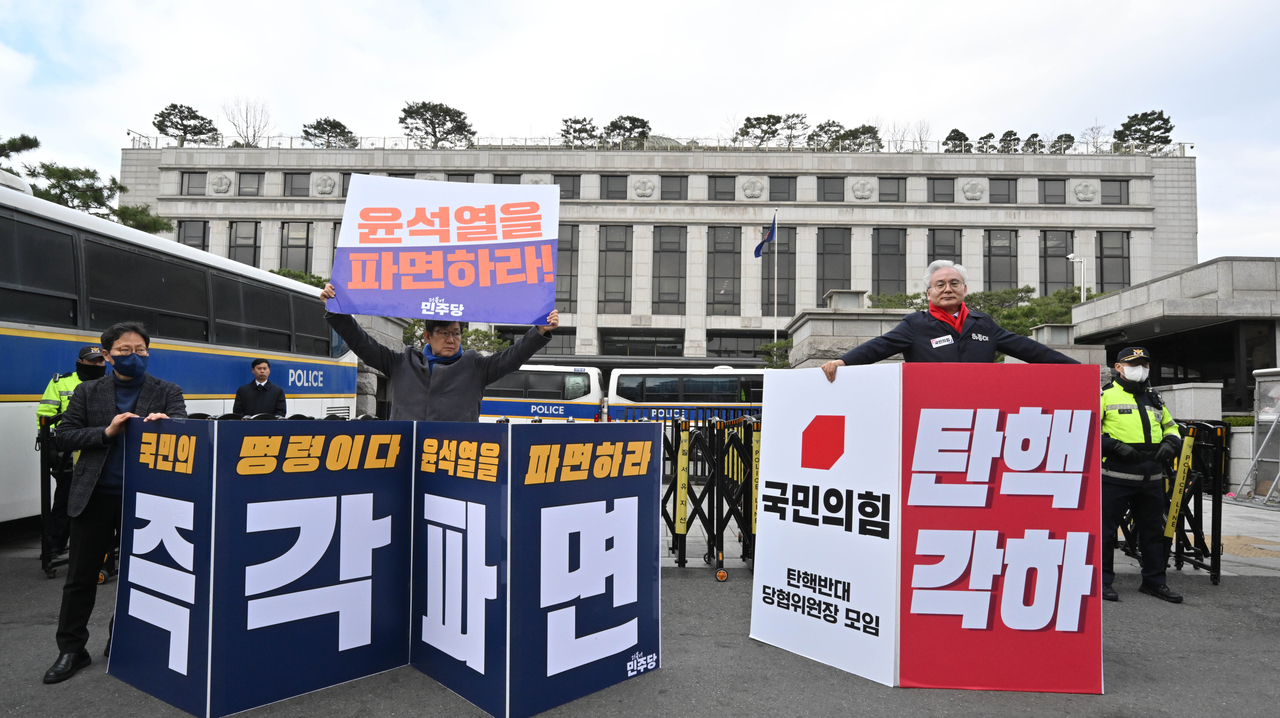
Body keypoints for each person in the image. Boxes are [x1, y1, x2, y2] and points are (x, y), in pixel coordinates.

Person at [43, 322, 187, 684]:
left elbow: (186, 432)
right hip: (94, 495)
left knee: (140, 575)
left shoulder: (167, 391)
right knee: (80, 576)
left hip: (146, 499)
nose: (133, 356)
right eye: (124, 350)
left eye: (140, 350)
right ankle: (71, 649)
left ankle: (122, 637)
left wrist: (169, 426)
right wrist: (106, 432)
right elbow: (64, 435)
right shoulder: (88, 392)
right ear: (106, 355)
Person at [319, 283, 558, 421]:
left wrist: (539, 331)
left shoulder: (476, 366)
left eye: (456, 333)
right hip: (406, 455)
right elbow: (363, 344)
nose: (451, 340)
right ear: (427, 336)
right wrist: (337, 312)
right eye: (444, 333)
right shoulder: (402, 363)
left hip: (455, 460)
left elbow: (513, 356)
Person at [822, 260, 1077, 380]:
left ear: (964, 289)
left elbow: (1029, 348)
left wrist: (1078, 370)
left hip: (980, 407)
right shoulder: (915, 324)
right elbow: (879, 346)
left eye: (954, 283)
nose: (947, 289)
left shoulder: (983, 323)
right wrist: (843, 361)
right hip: (929, 406)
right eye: (940, 284)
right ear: (928, 293)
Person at [1099, 347, 1184, 604]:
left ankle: (1154, 582)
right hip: (1115, 476)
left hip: (1151, 479)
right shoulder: (1104, 395)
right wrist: (1113, 446)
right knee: (1105, 533)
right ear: (1119, 367)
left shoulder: (1154, 398)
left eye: (1144, 364)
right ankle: (1102, 582)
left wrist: (1171, 443)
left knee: (1152, 533)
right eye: (1134, 363)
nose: (1141, 368)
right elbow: (1087, 427)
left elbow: (1171, 427)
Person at [36, 346, 108, 555]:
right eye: (91, 362)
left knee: (104, 501)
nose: (96, 365)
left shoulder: (111, 384)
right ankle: (54, 546)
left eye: (100, 362)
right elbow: (46, 415)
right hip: (69, 452)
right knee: (66, 499)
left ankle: (101, 549)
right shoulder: (62, 383)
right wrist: (50, 445)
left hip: (100, 448)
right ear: (80, 362)